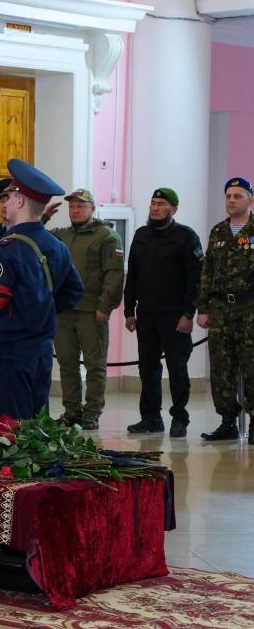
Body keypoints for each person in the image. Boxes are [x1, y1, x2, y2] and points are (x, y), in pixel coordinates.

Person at [0, 159, 84, 426]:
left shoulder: (6, 248)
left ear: (21, 202)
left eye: (9, 197)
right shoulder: (56, 245)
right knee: (36, 427)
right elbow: (74, 290)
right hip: (41, 350)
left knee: (8, 432)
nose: (4, 203)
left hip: (8, 353)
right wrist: (39, 310)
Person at [123, 187, 203, 438]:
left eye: (161, 204)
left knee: (177, 369)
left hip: (174, 315)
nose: (155, 208)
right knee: (147, 369)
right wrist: (129, 310)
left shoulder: (186, 237)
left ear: (173, 209)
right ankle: (151, 418)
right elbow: (132, 276)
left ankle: (179, 418)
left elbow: (195, 280)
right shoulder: (141, 235)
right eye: (153, 203)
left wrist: (189, 314)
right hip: (146, 314)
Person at [49, 188, 125, 431]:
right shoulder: (61, 235)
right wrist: (43, 217)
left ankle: (92, 414)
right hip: (64, 311)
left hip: (92, 312)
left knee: (95, 366)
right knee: (67, 364)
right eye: (72, 206)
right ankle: (72, 411)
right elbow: (34, 236)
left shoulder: (107, 236)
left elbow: (114, 275)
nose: (75, 210)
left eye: (81, 206)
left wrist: (105, 307)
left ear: (93, 208)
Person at [195, 177, 254, 441]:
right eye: (228, 196)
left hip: (250, 308)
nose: (231, 201)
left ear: (249, 200)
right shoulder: (218, 231)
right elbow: (207, 272)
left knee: (251, 365)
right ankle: (227, 421)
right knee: (221, 366)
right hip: (221, 309)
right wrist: (203, 307)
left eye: (237, 196)